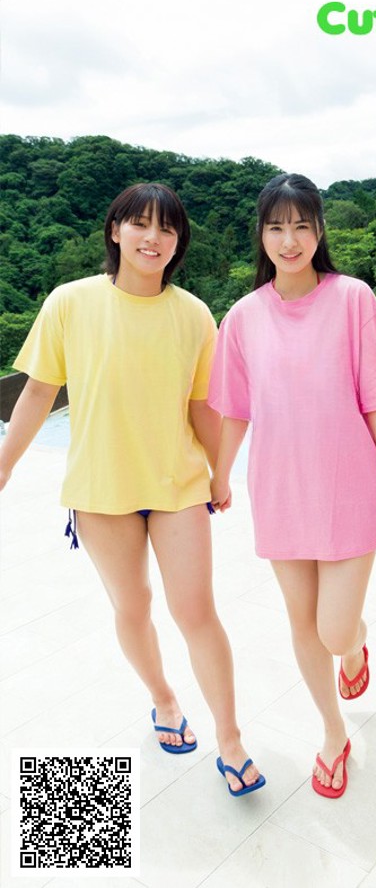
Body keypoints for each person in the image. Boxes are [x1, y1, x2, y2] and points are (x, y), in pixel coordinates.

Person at [0, 183, 264, 797]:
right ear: (115, 230)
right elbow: (38, 391)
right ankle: (164, 699)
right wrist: (5, 463)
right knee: (134, 606)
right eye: (140, 224)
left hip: (177, 485)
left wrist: (221, 472)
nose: (153, 238)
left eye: (167, 228)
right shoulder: (70, 301)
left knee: (195, 610)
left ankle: (230, 739)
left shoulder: (194, 313)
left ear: (178, 242)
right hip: (100, 488)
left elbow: (202, 405)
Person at [208, 173, 376, 798]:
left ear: (320, 230)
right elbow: (236, 410)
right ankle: (333, 733)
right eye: (277, 227)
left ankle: (353, 649)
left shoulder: (353, 298)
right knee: (301, 623)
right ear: (261, 235)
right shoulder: (243, 317)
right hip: (280, 488)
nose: (290, 239)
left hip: (350, 484)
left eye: (302, 225)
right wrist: (219, 474)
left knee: (334, 629)